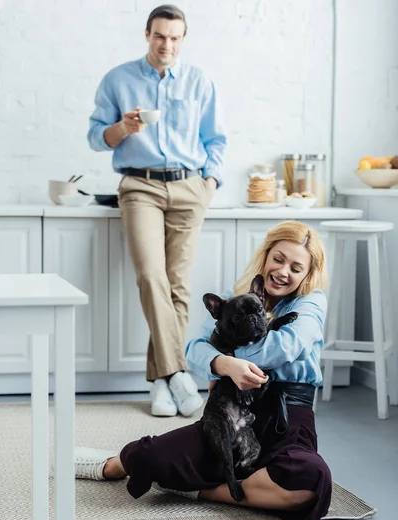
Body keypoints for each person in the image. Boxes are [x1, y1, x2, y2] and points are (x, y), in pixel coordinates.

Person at [74, 221, 332, 520]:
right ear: (266, 256)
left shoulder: (310, 303)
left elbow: (282, 348)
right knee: (150, 456)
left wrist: (223, 357)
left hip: (287, 420)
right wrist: (224, 366)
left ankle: (200, 489)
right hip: (229, 415)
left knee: (310, 481)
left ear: (307, 274)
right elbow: (192, 349)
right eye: (278, 259)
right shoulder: (234, 294)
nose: (283, 271)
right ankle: (111, 465)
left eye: (296, 267)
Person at [87, 4, 227, 417]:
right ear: (146, 34)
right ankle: (179, 371)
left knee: (178, 286)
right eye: (159, 36)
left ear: (183, 39)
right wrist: (124, 129)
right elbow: (96, 137)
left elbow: (216, 139)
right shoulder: (118, 79)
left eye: (174, 37)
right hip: (139, 185)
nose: (166, 44)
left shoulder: (200, 81)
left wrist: (210, 184)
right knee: (152, 277)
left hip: (189, 186)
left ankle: (161, 385)